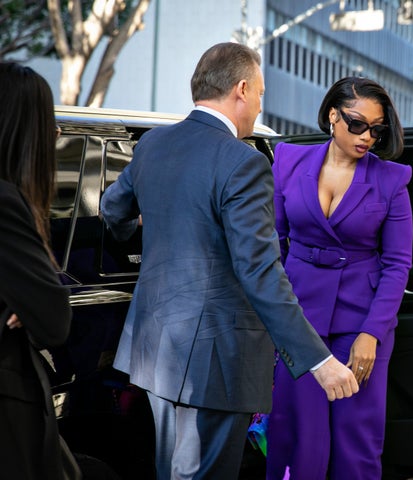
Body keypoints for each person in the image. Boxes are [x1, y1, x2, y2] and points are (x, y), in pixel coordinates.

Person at [100, 42, 358, 479]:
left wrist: (144, 231)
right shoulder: (244, 162)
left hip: (155, 348)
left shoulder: (153, 145)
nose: (259, 105)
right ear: (241, 89)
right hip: (217, 359)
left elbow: (111, 209)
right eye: (259, 93)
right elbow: (259, 272)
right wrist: (318, 359)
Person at [265, 76, 413, 480]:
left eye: (377, 129)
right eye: (358, 124)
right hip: (298, 318)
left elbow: (398, 263)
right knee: (297, 438)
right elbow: (275, 244)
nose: (368, 136)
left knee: (355, 445)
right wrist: (276, 321)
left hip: (360, 323)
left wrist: (372, 334)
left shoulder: (392, 179)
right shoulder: (289, 160)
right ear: (333, 115)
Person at [0, 62, 74, 479]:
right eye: (51, 123)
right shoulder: (8, 202)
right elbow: (54, 319)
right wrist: (29, 298)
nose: (56, 135)